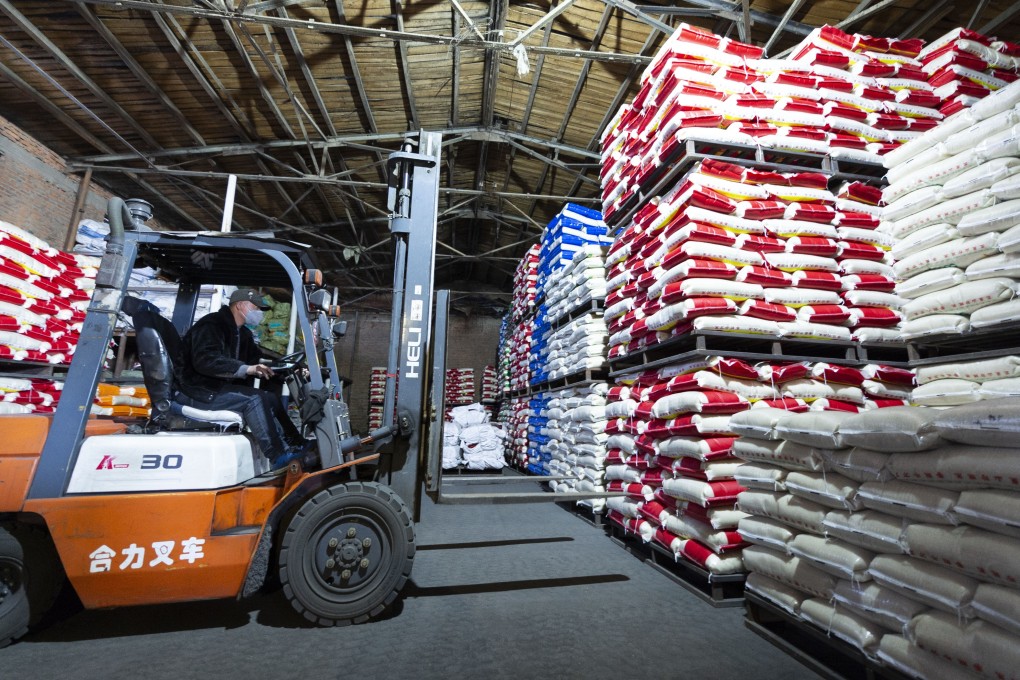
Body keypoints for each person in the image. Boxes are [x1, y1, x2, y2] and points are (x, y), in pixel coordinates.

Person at [177, 288, 307, 469]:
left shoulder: (242, 333)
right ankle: (279, 456)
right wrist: (247, 369)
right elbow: (206, 361)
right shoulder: (212, 324)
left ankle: (297, 442)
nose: (259, 314)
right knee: (254, 399)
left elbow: (256, 360)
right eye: (256, 308)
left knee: (270, 396)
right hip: (197, 389)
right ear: (240, 306)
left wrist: (288, 368)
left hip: (217, 388)